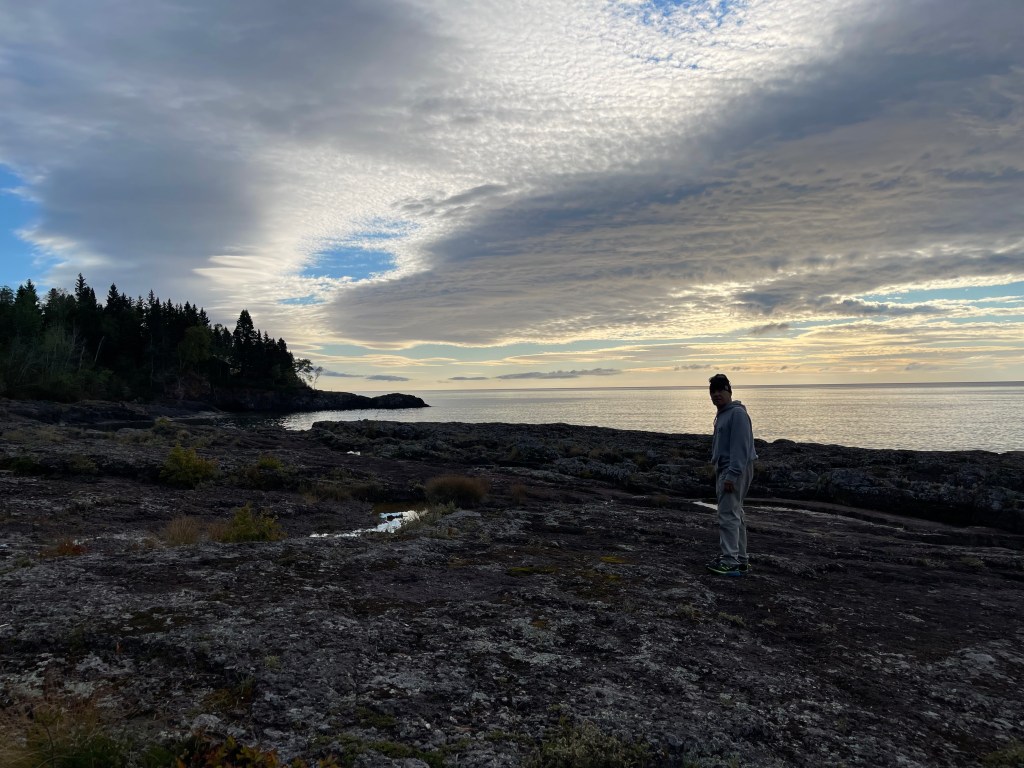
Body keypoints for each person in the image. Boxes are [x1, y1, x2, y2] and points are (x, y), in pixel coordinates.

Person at [706, 373, 757, 576]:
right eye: (713, 391)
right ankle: (740, 559)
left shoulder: (737, 415)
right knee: (736, 513)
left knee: (728, 515)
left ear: (729, 391)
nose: (716, 394)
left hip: (734, 470)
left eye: (720, 390)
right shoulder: (724, 413)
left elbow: (740, 448)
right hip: (728, 468)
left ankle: (730, 561)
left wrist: (731, 475)